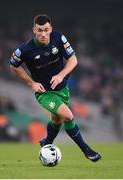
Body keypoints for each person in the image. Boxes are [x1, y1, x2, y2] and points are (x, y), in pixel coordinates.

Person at [10, 14, 101, 162]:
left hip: (62, 89)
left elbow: (73, 59)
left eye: (46, 30)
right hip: (45, 93)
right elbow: (13, 65)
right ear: (34, 30)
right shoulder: (25, 49)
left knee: (57, 120)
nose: (43, 34)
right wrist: (31, 83)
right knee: (68, 116)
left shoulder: (58, 38)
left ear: (50, 28)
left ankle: (46, 143)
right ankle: (87, 150)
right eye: (40, 30)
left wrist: (61, 75)